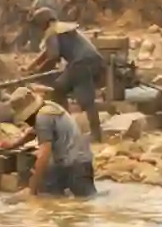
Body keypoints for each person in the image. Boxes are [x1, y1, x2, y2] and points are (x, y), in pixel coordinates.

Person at [0, 87, 97, 198]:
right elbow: (33, 132)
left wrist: (33, 187)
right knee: (59, 197)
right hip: (80, 161)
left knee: (82, 199)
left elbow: (44, 155)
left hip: (75, 166)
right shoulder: (48, 107)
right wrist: (13, 145)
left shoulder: (43, 118)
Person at [27, 8, 105, 143]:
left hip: (81, 62)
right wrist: (30, 67)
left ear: (43, 22)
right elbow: (46, 53)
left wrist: (38, 72)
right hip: (91, 60)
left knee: (82, 98)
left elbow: (53, 56)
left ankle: (90, 134)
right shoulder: (59, 28)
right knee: (60, 89)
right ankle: (72, 129)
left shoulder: (51, 32)